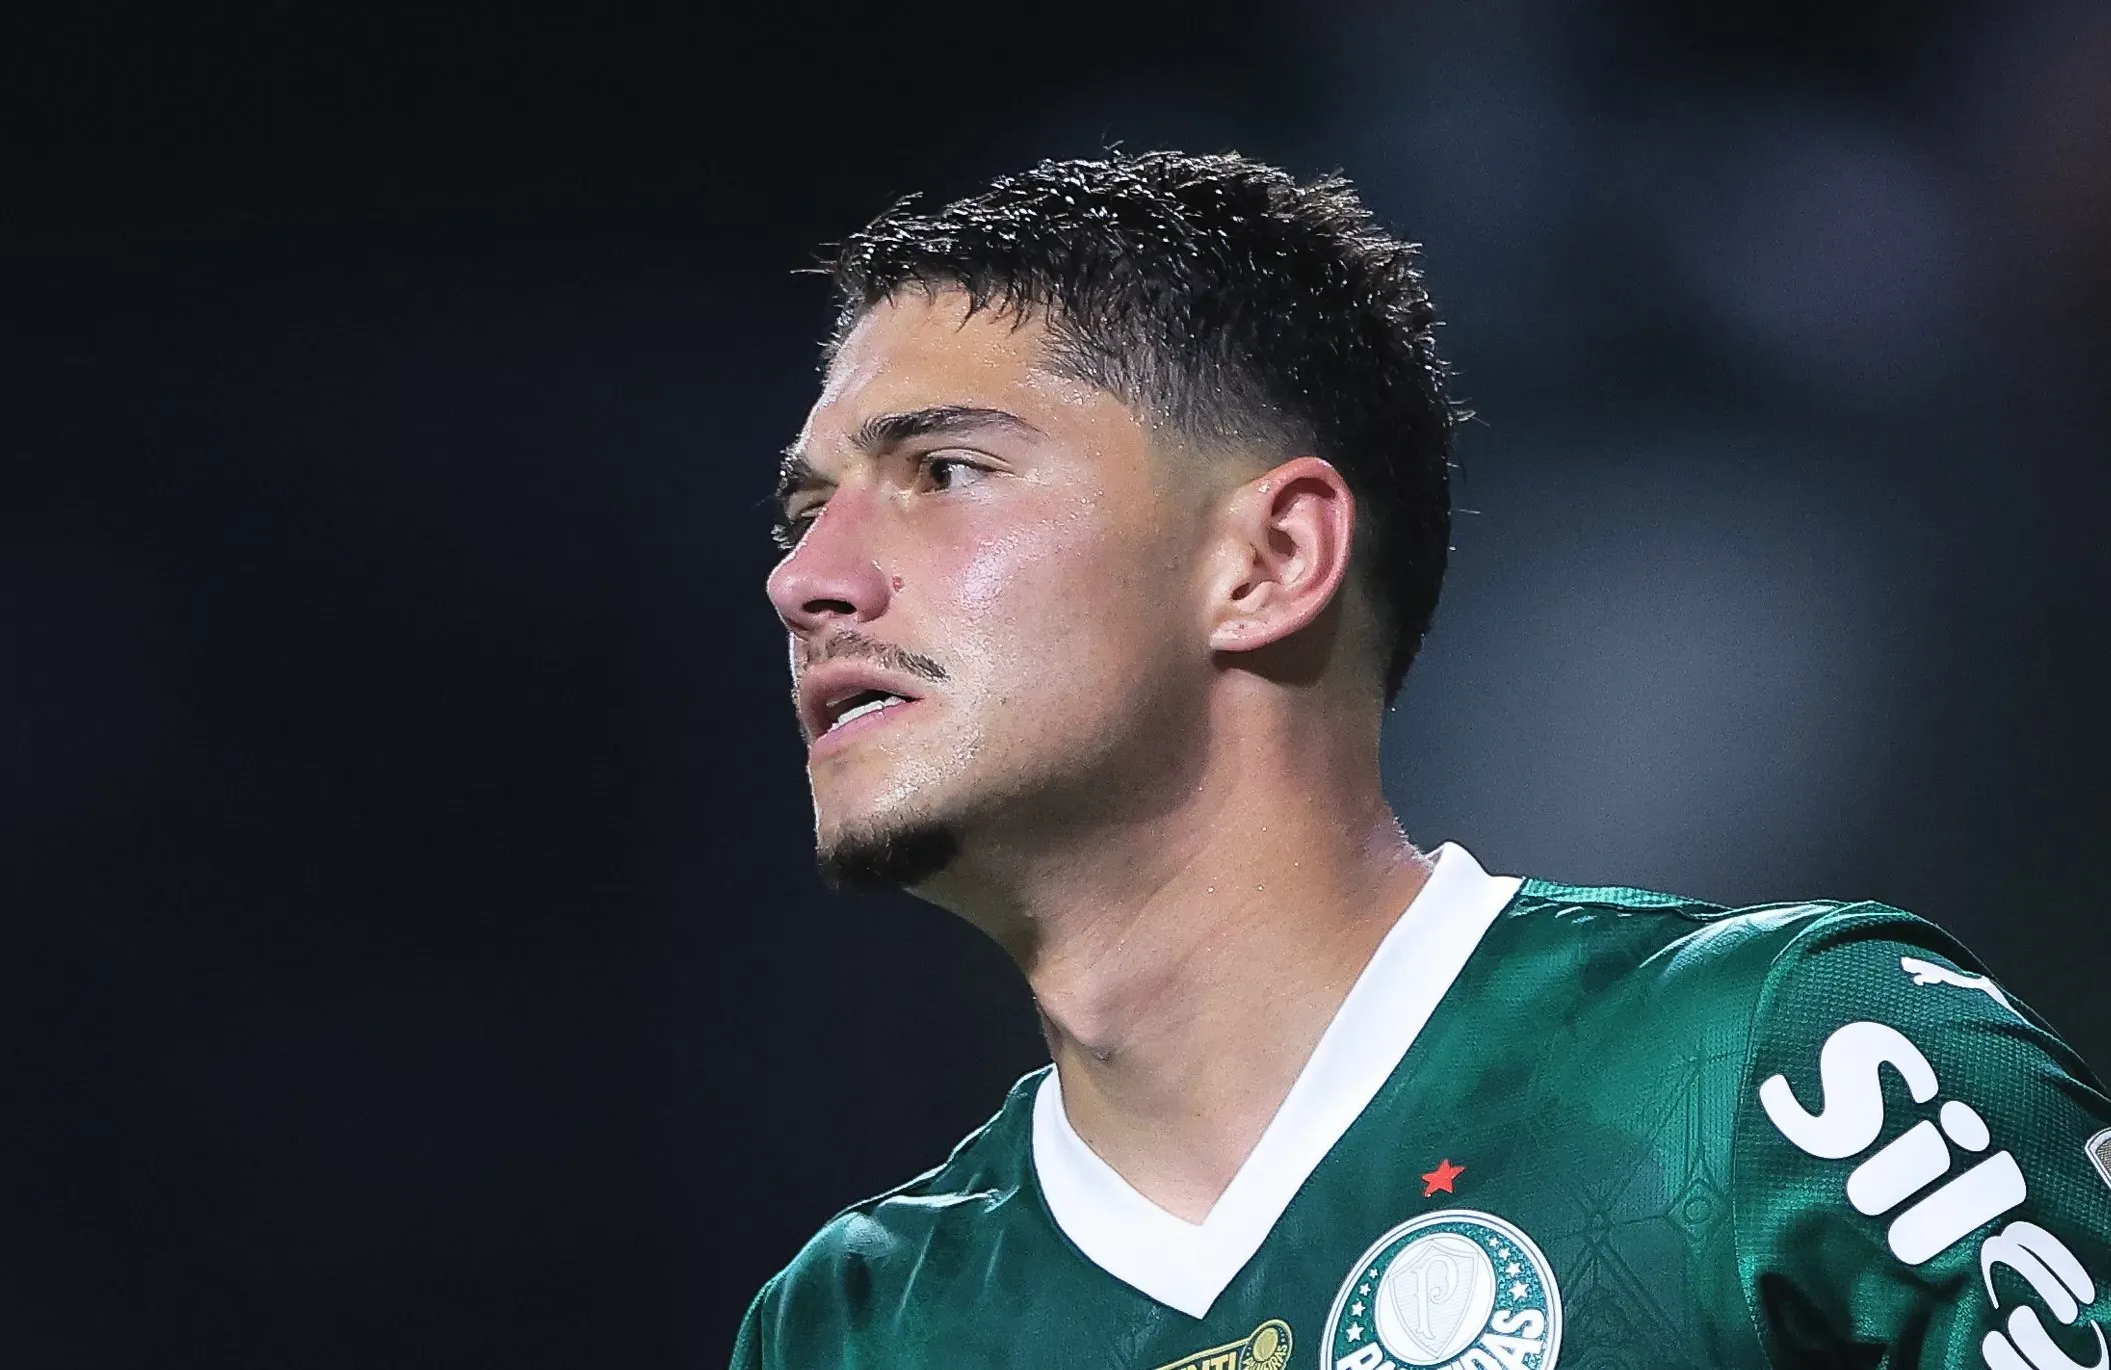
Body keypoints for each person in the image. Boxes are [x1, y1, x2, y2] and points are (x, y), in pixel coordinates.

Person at [736, 150, 2111, 1370]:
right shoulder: (853, 1327)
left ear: (1268, 560)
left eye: (945, 472)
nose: (805, 580)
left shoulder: (1799, 1079)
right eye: (803, 514)